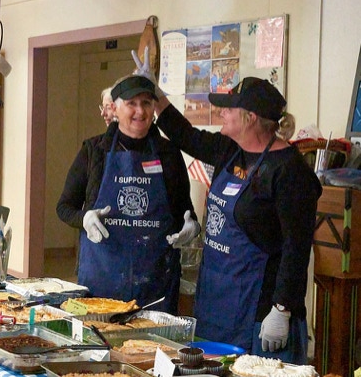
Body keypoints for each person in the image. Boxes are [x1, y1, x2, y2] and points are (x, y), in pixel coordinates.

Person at [136, 50, 321, 362]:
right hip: (217, 303)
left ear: (250, 118)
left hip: (260, 314)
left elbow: (296, 247)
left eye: (228, 109)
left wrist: (282, 309)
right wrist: (156, 94)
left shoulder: (290, 172)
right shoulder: (229, 149)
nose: (220, 112)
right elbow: (186, 136)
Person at [56, 75, 199, 314]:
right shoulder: (93, 151)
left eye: (146, 103)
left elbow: (185, 211)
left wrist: (190, 227)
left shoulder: (169, 154)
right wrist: (84, 218)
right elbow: (64, 207)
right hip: (102, 278)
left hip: (156, 281)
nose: (140, 111)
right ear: (114, 108)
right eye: (132, 103)